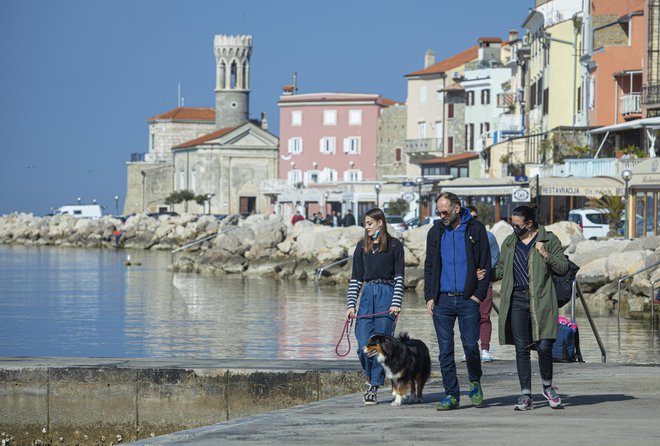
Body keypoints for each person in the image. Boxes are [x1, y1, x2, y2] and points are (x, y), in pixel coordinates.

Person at [494, 205, 568, 411]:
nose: (514, 229)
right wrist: (486, 273)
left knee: (544, 346)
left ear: (529, 223)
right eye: (513, 225)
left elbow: (562, 268)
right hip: (516, 300)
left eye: (518, 225)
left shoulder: (549, 240)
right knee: (522, 349)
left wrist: (545, 254)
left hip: (542, 300)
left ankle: (547, 386)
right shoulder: (510, 242)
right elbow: (501, 268)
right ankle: (525, 395)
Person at [424, 192, 491, 411]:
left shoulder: (475, 229)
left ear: (457, 208)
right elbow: (430, 265)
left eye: (445, 211)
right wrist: (429, 297)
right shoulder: (435, 232)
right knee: (445, 351)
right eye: (438, 212)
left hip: (467, 300)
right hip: (442, 300)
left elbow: (485, 263)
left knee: (471, 346)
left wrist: (477, 295)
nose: (442, 215)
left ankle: (474, 382)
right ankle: (451, 394)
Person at [346, 208, 405, 405]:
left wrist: (396, 302)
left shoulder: (395, 246)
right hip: (367, 295)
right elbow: (355, 279)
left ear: (380, 223)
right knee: (364, 345)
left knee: (380, 346)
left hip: (387, 295)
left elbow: (399, 277)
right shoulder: (362, 247)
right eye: (365, 224)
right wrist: (350, 305)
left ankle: (373, 386)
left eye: (370, 223)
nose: (367, 227)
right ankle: (374, 377)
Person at [465, 205, 500, 363]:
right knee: (467, 317)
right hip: (465, 283)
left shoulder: (489, 236)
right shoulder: (459, 236)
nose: (472, 221)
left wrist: (483, 271)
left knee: (484, 316)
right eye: (469, 217)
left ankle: (485, 349)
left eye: (475, 217)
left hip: (484, 281)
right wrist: (471, 273)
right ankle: (469, 349)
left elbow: (495, 258)